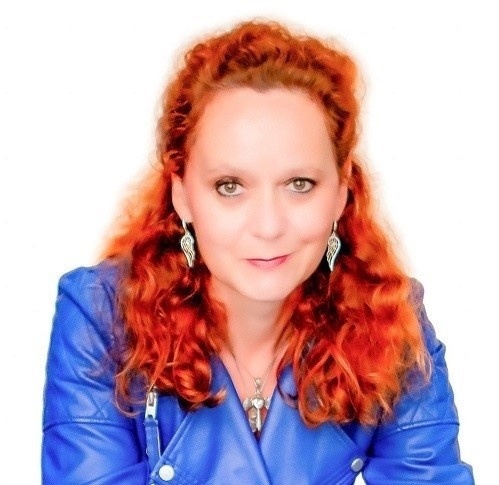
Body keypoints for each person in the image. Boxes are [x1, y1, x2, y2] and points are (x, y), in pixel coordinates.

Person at [42, 20, 474, 484]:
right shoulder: (102, 316)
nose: (268, 226)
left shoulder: (388, 316)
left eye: (299, 184)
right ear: (182, 194)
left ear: (341, 191)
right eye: (230, 186)